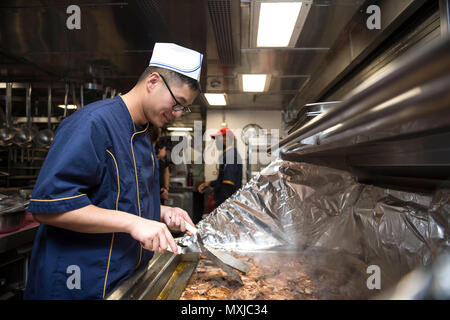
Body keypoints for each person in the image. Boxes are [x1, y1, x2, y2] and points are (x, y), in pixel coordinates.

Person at [24, 43, 202, 299]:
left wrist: (161, 212)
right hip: (78, 284)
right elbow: (49, 208)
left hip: (122, 281)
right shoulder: (93, 123)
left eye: (182, 108)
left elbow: (117, 197)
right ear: (153, 81)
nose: (176, 114)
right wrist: (134, 223)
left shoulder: (143, 135)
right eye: (177, 103)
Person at [198, 128, 242, 209]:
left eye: (218, 139)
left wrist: (220, 206)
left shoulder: (231, 155)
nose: (216, 142)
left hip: (226, 206)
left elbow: (228, 185)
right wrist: (209, 183)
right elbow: (223, 180)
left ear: (226, 139)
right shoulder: (227, 154)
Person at [155, 138, 170, 204]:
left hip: (161, 191)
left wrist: (166, 188)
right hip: (153, 192)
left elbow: (166, 172)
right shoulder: (151, 162)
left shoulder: (162, 161)